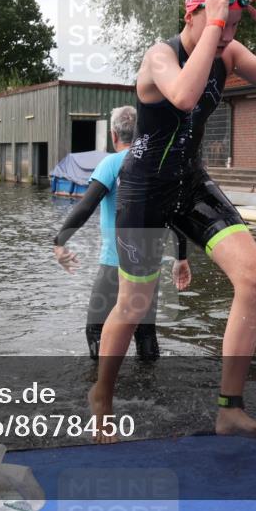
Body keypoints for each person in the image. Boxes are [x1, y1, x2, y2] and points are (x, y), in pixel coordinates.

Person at [88, 0, 256, 443]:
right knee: (133, 302)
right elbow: (185, 96)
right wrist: (214, 24)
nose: (227, 36)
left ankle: (230, 408)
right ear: (193, 14)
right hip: (144, 190)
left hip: (190, 183)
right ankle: (102, 394)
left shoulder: (229, 52)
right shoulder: (159, 56)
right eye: (221, 23)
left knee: (255, 277)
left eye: (234, 27)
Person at [54, 105, 191, 360]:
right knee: (145, 332)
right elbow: (174, 214)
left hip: (114, 263)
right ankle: (147, 381)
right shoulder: (156, 164)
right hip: (149, 266)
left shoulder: (112, 163)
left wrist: (59, 240)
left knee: (96, 330)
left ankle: (101, 379)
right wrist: (181, 256)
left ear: (114, 135)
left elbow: (86, 206)